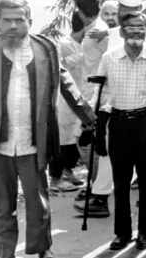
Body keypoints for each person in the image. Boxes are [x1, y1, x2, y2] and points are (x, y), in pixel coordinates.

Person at [0, 0, 96, 258]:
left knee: (38, 201)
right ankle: (5, 253)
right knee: (2, 204)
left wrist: (89, 116)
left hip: (34, 138)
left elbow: (66, 83)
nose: (13, 25)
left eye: (19, 20)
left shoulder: (45, 47)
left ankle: (42, 249)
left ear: (30, 21)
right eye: (6, 20)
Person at [94, 12, 146, 250]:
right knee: (121, 180)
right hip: (119, 122)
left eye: (141, 27)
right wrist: (96, 124)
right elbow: (101, 92)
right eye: (131, 27)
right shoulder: (109, 58)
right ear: (122, 31)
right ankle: (122, 232)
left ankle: (145, 231)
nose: (136, 31)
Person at [50, 12, 87, 194]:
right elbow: (63, 64)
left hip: (82, 97)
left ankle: (68, 171)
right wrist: (87, 54)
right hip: (66, 100)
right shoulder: (64, 44)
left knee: (75, 139)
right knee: (63, 140)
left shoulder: (87, 45)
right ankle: (55, 180)